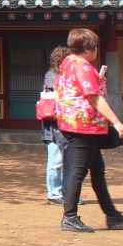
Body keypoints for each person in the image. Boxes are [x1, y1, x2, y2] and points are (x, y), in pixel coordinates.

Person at [54, 27, 123, 233]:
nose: (96, 49)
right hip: (83, 126)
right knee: (76, 172)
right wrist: (116, 122)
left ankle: (112, 215)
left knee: (97, 171)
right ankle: (69, 217)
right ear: (89, 47)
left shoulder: (67, 64)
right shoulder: (83, 67)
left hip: (75, 124)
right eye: (95, 45)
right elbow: (94, 97)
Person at [41, 46, 69, 205]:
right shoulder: (52, 75)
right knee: (56, 160)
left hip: (68, 123)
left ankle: (68, 193)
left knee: (70, 162)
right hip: (53, 125)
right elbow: (61, 91)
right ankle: (54, 193)